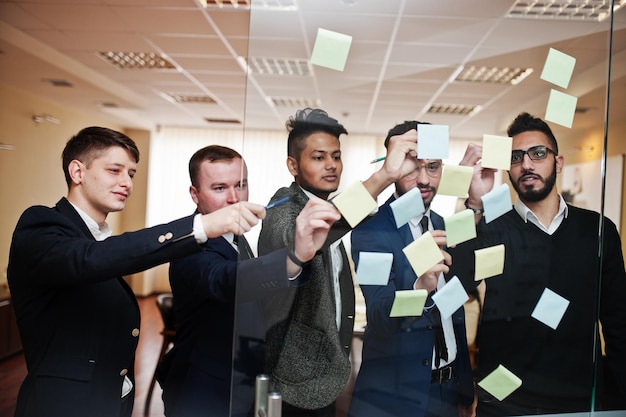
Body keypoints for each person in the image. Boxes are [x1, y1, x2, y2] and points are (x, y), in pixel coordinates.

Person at [6, 127, 278, 417]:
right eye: (114, 170)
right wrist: (201, 227)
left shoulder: (98, 239)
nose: (126, 183)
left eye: (131, 174)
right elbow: (92, 259)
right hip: (62, 405)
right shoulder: (41, 224)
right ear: (77, 172)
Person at [256, 108, 423, 417]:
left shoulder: (327, 208)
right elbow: (315, 230)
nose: (331, 165)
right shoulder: (283, 208)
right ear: (293, 165)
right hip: (292, 382)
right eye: (319, 157)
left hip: (324, 377)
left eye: (336, 156)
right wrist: (385, 175)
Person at [458, 112, 626, 415]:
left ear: (558, 163)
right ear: (508, 170)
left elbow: (618, 322)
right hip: (507, 402)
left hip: (579, 399)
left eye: (537, 154)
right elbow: (457, 286)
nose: (526, 164)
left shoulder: (597, 230)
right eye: (516, 157)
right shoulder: (493, 228)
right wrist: (473, 204)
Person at [156, 145, 341, 417]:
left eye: (241, 185)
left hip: (242, 382)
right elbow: (227, 280)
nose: (234, 198)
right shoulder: (189, 244)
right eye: (219, 188)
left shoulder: (236, 237)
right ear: (195, 194)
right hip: (204, 392)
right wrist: (295, 257)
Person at [347, 121, 493, 417]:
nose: (425, 179)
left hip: (448, 393)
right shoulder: (371, 230)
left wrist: (465, 389)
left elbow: (458, 302)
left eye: (433, 167)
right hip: (394, 398)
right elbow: (378, 315)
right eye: (413, 168)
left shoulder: (442, 223)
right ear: (394, 168)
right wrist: (419, 287)